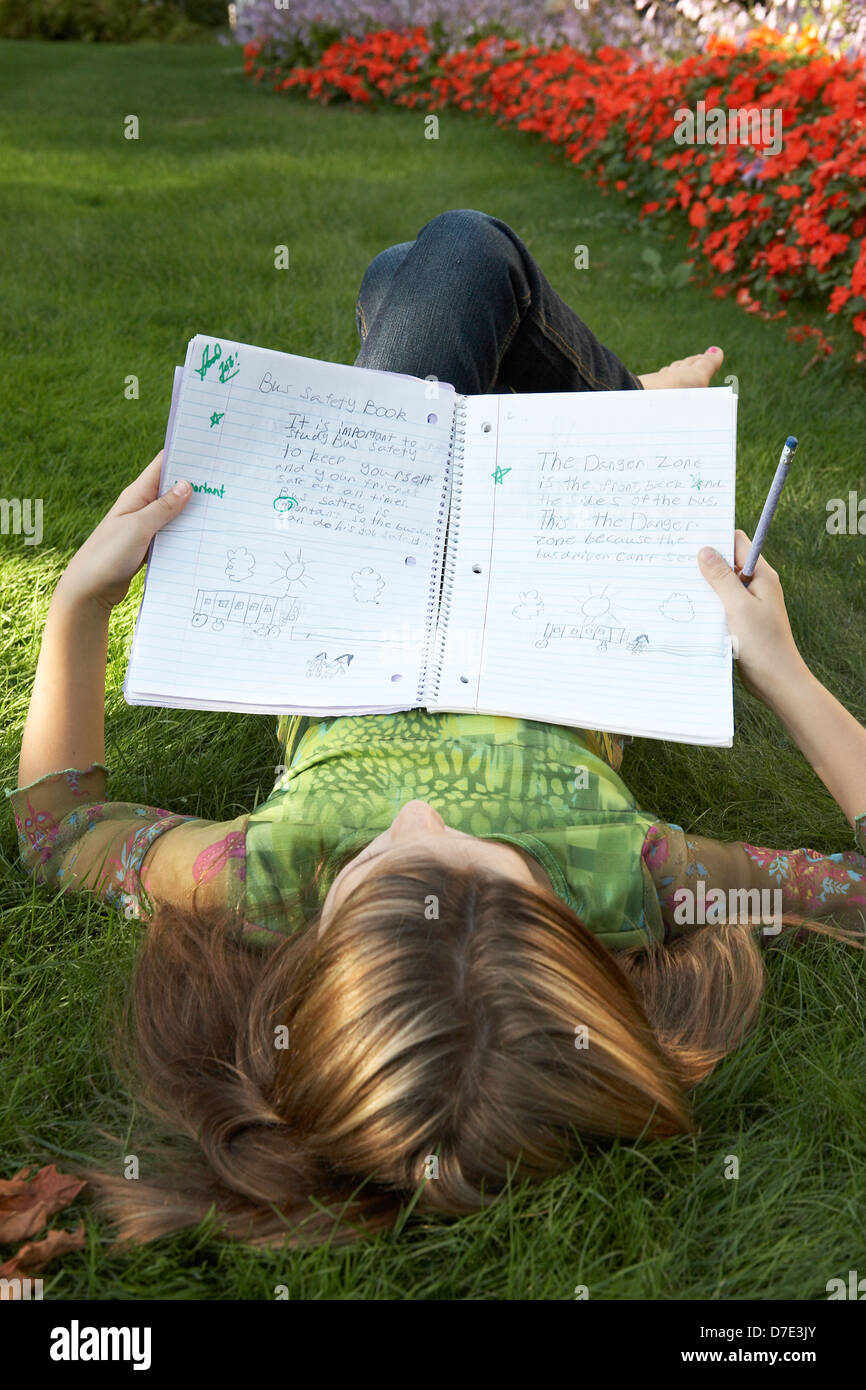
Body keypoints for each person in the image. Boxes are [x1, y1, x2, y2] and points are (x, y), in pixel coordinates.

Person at [7, 209, 866, 1251]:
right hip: (553, 556)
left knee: (420, 276)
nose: (420, 812)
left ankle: (618, 405)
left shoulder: (258, 877)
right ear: (574, 932)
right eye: (485, 855)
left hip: (364, 564)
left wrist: (79, 604)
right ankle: (615, 410)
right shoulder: (631, 874)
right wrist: (777, 666)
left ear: (309, 959)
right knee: (455, 262)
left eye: (375, 862)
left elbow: (55, 831)